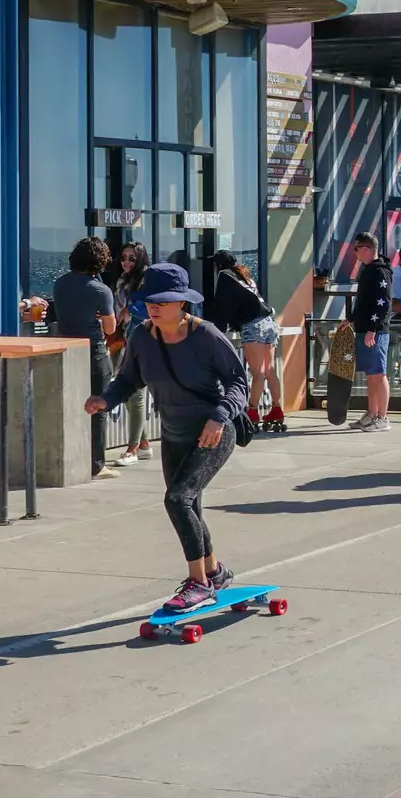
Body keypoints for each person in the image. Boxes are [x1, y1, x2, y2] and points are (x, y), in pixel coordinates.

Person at [85, 262, 249, 613]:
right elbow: (129, 380)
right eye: (149, 300)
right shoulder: (142, 336)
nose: (153, 306)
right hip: (173, 434)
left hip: (211, 432)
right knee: (190, 505)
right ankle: (214, 571)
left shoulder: (206, 336)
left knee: (177, 500)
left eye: (161, 300)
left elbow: (238, 383)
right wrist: (105, 399)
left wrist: (219, 417)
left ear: (182, 303)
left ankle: (199, 585)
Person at [52, 237, 120, 478]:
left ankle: (72, 455)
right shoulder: (101, 290)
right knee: (98, 407)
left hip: (67, 349)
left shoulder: (59, 283)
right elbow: (111, 328)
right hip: (94, 352)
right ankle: (96, 463)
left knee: (71, 406)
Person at [206, 250, 281, 430]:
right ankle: (277, 410)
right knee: (269, 370)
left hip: (254, 326)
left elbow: (222, 305)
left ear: (219, 265)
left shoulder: (225, 277)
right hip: (269, 321)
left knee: (258, 373)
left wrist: (219, 329)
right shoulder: (244, 276)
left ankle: (252, 413)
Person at [105, 240, 154, 465]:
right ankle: (143, 444)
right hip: (124, 338)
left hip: (142, 338)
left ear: (140, 259)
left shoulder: (147, 280)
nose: (126, 262)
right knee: (128, 392)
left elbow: (153, 306)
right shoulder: (123, 281)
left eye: (131, 258)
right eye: (123, 257)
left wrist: (129, 310)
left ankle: (132, 449)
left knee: (137, 394)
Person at [348, 233, 393, 432]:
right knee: (371, 374)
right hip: (366, 328)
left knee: (379, 373)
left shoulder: (380, 273)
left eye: (356, 248)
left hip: (375, 331)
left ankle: (382, 417)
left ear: (366, 248)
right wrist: (349, 319)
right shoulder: (368, 271)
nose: (355, 252)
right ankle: (371, 413)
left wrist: (372, 329)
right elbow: (363, 301)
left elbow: (384, 303)